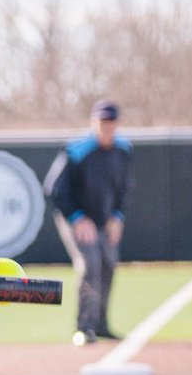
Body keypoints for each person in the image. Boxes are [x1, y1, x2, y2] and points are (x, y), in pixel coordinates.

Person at [44, 98, 133, 346]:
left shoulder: (124, 150)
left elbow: (124, 188)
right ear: (93, 122)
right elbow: (54, 188)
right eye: (102, 121)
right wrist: (78, 218)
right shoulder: (77, 150)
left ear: (118, 123)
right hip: (76, 218)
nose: (107, 126)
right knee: (89, 263)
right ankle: (84, 326)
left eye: (111, 121)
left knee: (108, 264)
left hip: (105, 219)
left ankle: (101, 323)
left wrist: (118, 217)